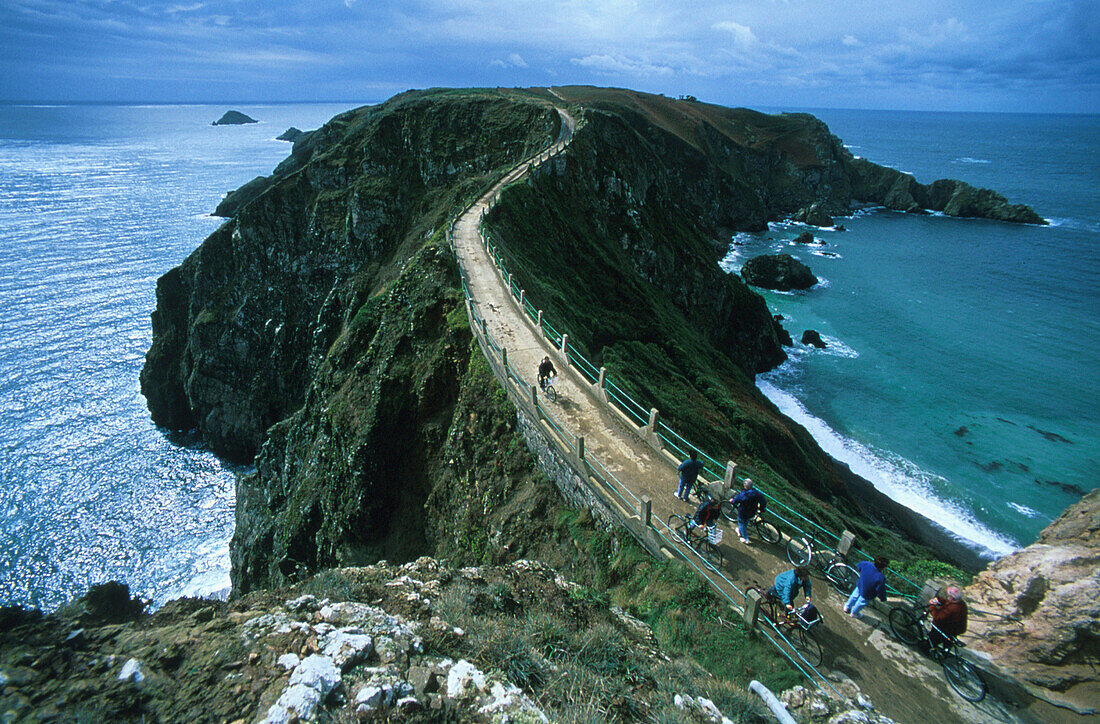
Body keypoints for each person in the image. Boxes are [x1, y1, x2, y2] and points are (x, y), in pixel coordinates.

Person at [729, 478, 766, 544]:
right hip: (752, 511)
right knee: (745, 522)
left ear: (745, 486)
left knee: (742, 523)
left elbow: (736, 500)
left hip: (743, 512)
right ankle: (740, 531)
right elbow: (763, 500)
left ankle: (745, 538)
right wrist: (761, 508)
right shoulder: (757, 493)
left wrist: (732, 501)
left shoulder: (744, 495)